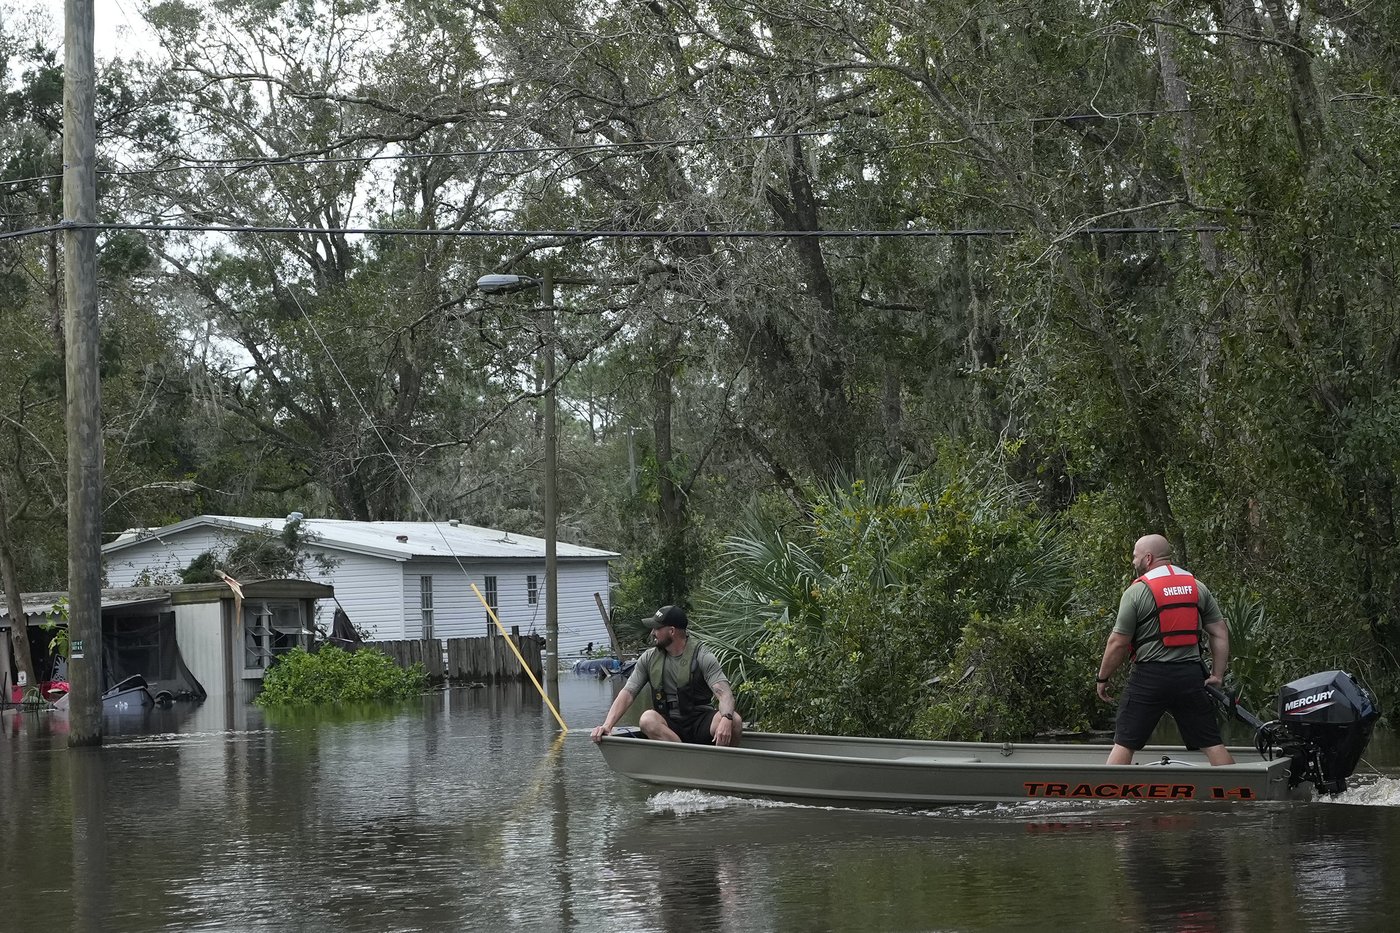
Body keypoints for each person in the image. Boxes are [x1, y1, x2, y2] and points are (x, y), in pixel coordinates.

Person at [1095, 533, 1234, 766]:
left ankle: (1109, 797)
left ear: (1148, 558)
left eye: (1135, 556)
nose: (1133, 561)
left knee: (1125, 742)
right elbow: (1220, 632)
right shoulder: (1197, 587)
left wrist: (1103, 677)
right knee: (1211, 743)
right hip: (1190, 677)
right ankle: (1239, 791)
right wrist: (1217, 675)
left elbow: (1118, 642)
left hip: (1150, 677)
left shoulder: (1136, 592)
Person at [590, 605, 743, 746]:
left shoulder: (703, 656)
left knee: (734, 720)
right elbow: (628, 693)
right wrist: (607, 725)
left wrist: (726, 718)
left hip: (700, 720)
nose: (652, 633)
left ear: (671, 631)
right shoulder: (648, 658)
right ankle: (683, 759)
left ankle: (723, 765)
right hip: (670, 724)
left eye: (656, 628)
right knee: (647, 719)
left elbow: (725, 695)